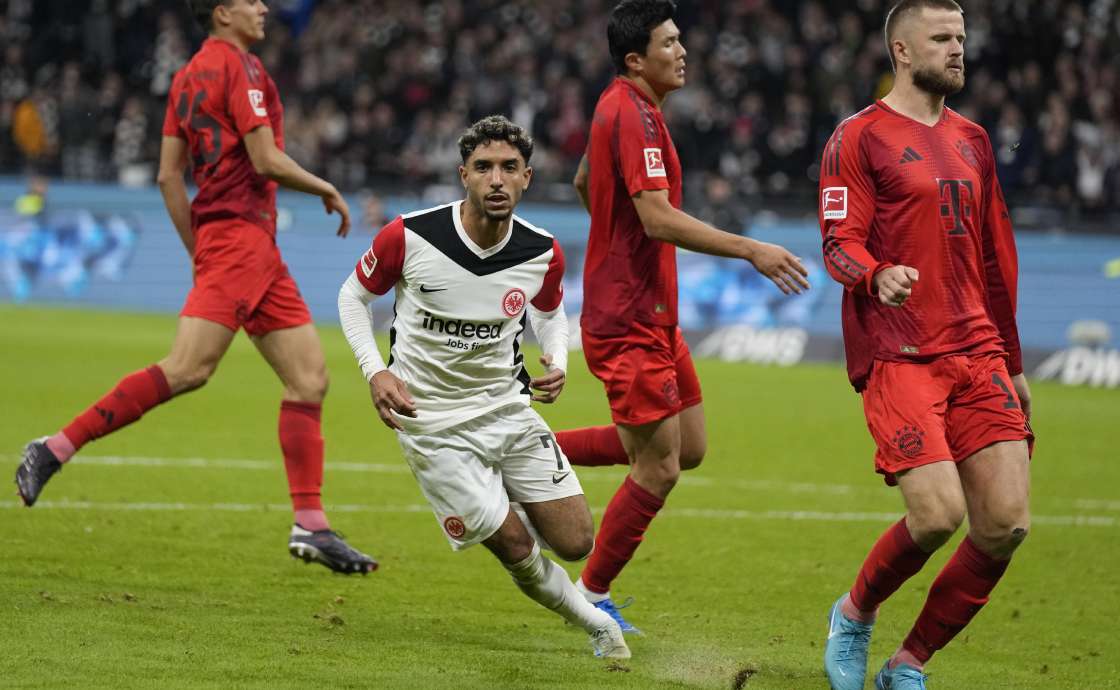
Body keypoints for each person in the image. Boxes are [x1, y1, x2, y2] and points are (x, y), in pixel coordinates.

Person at [14, 0, 377, 575]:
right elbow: (264, 157)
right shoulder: (243, 69)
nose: (263, 8)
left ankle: (311, 524)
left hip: (243, 246)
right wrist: (324, 186)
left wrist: (197, 249)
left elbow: (167, 175)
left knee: (309, 377)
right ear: (222, 11)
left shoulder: (186, 76)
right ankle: (56, 446)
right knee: (189, 368)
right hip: (239, 240)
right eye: (252, 1)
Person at [553, 0, 811, 634]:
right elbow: (657, 217)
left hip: (653, 312)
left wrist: (614, 236)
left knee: (686, 447)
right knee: (659, 465)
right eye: (669, 43)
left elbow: (589, 179)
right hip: (629, 318)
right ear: (636, 59)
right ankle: (591, 596)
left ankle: (529, 451)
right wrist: (751, 247)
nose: (683, 50)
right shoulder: (633, 114)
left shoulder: (626, 107)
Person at [336, 115, 630, 659]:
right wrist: (375, 370)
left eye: (509, 168)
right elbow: (351, 298)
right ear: (463, 176)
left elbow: (551, 311)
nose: (497, 179)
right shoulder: (410, 235)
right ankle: (597, 626)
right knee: (516, 546)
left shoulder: (541, 250)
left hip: (507, 410)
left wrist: (558, 354)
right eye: (484, 168)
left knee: (575, 542)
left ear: (527, 178)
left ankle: (505, 509)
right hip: (433, 425)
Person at [817, 2, 1034, 689]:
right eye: (943, 39)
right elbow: (836, 244)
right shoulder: (858, 137)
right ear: (903, 52)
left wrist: (1016, 364)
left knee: (1004, 525)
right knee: (938, 514)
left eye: (962, 38)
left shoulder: (974, 139)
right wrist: (876, 274)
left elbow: (997, 260)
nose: (958, 50)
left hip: (980, 352)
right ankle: (853, 614)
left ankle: (908, 662)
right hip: (901, 353)